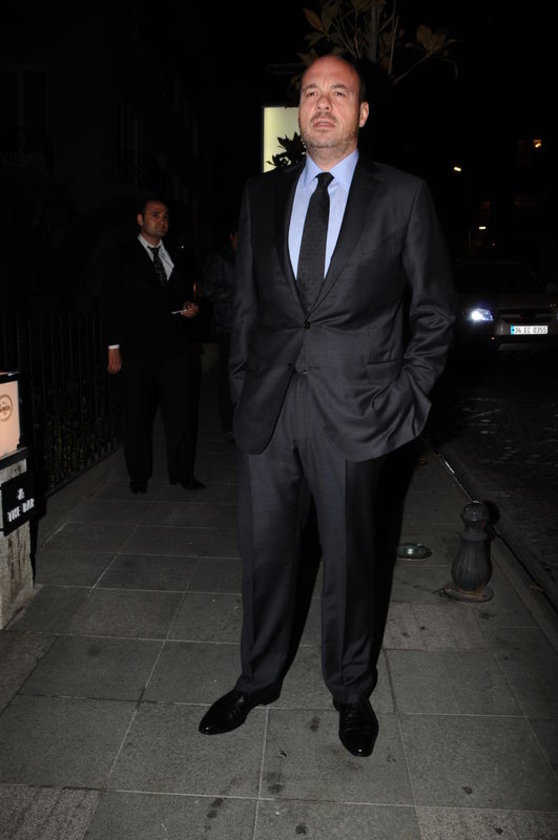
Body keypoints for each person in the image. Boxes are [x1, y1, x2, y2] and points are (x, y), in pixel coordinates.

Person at [198, 55, 455, 757]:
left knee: (349, 560)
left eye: (338, 92)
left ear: (361, 112)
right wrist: (242, 386)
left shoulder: (403, 196)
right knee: (264, 556)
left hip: (356, 409)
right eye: (311, 91)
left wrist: (407, 396)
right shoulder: (261, 194)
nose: (321, 103)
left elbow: (434, 312)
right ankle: (257, 678)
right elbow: (247, 307)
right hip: (269, 408)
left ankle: (350, 689)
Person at [103, 195, 205, 494]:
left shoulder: (177, 253)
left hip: (173, 346)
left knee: (179, 412)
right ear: (140, 219)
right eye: (155, 214)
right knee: (137, 413)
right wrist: (113, 347)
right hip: (137, 347)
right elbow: (111, 302)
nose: (162, 220)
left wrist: (191, 307)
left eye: (166, 216)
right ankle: (138, 474)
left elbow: (183, 293)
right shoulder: (122, 254)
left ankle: (182, 473)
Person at [201, 220, 238, 442]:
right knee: (227, 376)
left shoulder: (250, 255)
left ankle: (244, 420)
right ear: (232, 236)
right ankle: (228, 423)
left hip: (249, 327)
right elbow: (209, 290)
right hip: (227, 326)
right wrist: (238, 295)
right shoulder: (219, 258)